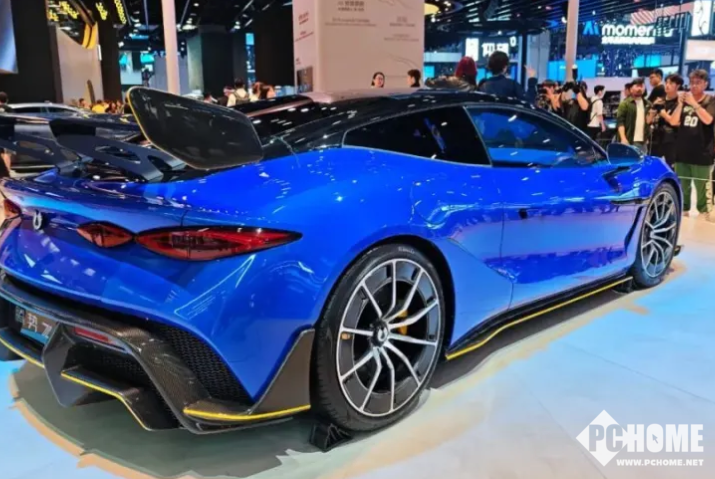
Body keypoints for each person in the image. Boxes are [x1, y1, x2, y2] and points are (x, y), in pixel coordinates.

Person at [674, 69, 715, 220]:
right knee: (682, 185)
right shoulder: (684, 101)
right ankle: (683, 208)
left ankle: (704, 211)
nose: (694, 86)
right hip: (683, 152)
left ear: (705, 84)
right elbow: (674, 121)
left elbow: (708, 120)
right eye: (691, 82)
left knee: (702, 187)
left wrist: (693, 103)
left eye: (698, 82)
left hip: (702, 153)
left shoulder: (710, 100)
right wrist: (680, 105)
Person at [648, 73, 683, 167]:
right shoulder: (659, 101)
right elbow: (648, 121)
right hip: (656, 139)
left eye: (671, 83)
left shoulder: (680, 103)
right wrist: (652, 111)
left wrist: (664, 114)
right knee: (653, 167)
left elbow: (676, 122)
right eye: (666, 82)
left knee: (671, 168)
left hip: (672, 141)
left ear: (678, 86)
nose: (667, 85)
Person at [616, 78, 650, 152]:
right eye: (637, 86)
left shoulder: (648, 104)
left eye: (641, 86)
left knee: (643, 159)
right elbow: (620, 122)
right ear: (631, 89)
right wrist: (623, 138)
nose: (640, 88)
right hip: (629, 141)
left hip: (643, 143)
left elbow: (649, 122)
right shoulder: (625, 104)